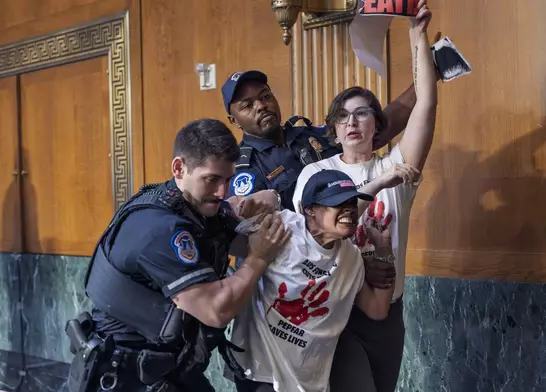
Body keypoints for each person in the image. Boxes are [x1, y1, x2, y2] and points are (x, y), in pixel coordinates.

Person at [65, 118, 291, 392]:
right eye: (211, 179)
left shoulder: (191, 205)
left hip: (169, 371)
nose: (222, 191)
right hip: (127, 376)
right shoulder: (160, 229)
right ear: (179, 168)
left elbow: (235, 212)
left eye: (228, 180)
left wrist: (270, 199)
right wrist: (259, 257)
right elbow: (215, 309)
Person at [291, 2, 438, 391]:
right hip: (335, 308)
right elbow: (316, 239)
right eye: (343, 116)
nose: (352, 122)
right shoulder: (316, 174)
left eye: (361, 113)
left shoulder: (397, 170)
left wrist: (417, 35)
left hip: (387, 307)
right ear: (333, 130)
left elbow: (425, 103)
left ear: (377, 124)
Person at [228, 170, 401, 392]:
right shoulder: (282, 226)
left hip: (311, 382)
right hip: (261, 372)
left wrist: (384, 249)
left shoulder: (352, 258)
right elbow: (224, 226)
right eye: (337, 203)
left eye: (351, 202)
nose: (348, 209)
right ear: (310, 209)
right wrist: (261, 198)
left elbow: (377, 308)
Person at [221, 64, 416, 213]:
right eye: (247, 105)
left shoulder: (310, 136)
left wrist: (426, 75)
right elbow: (253, 234)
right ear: (234, 120)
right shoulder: (245, 171)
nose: (261, 106)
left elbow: (375, 130)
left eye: (265, 96)